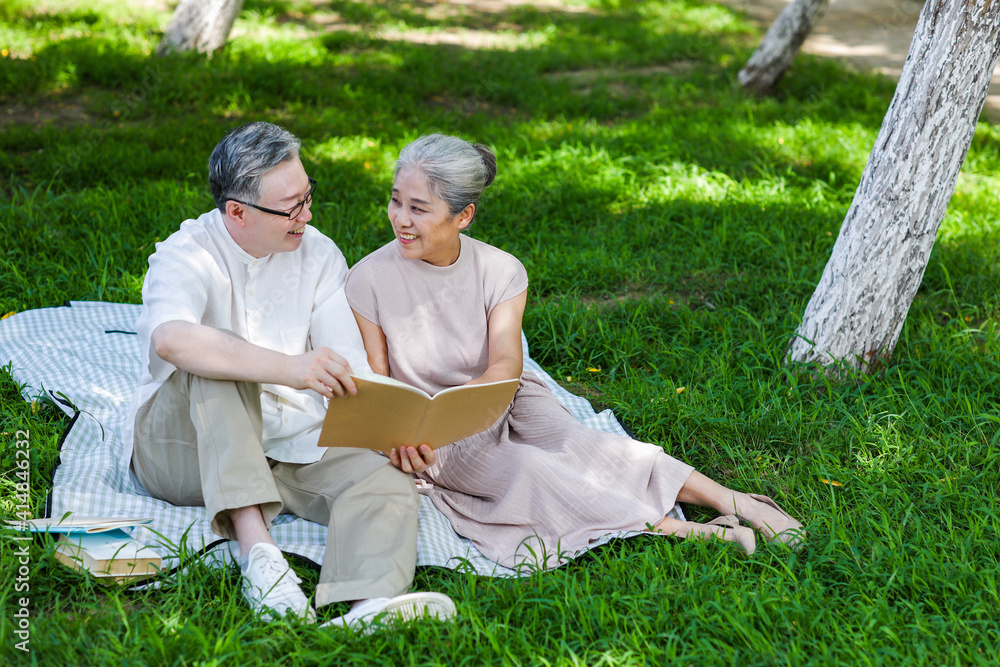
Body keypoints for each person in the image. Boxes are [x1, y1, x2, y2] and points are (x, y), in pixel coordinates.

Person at [344, 133, 805, 569]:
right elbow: (380, 378)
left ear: (463, 215)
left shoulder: (500, 270)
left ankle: (736, 501)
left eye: (418, 208)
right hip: (435, 431)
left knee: (589, 447)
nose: (400, 218)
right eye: (396, 200)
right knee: (528, 469)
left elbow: (506, 361)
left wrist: (476, 405)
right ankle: (684, 532)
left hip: (504, 393)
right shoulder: (367, 279)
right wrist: (407, 439)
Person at [123, 121, 456, 628]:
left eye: (307, 196)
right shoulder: (186, 252)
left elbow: (351, 367)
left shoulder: (320, 255)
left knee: (385, 479)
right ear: (237, 211)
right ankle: (261, 560)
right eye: (291, 207)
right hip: (181, 452)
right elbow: (171, 339)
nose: (308, 214)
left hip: (289, 447)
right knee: (217, 355)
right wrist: (291, 368)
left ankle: (369, 606)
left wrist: (396, 433)